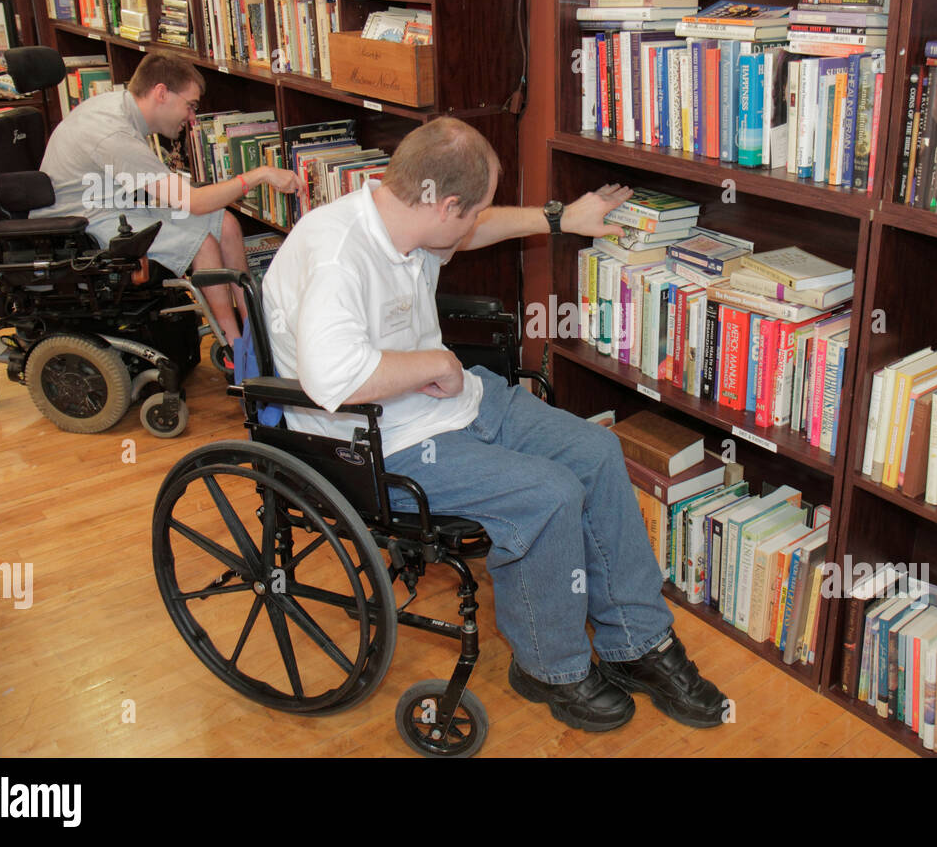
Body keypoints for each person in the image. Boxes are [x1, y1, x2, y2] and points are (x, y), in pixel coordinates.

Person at [260, 116, 727, 732]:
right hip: (380, 441)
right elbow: (334, 380)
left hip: (452, 404)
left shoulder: (406, 217)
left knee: (595, 451)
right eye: (473, 208)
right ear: (445, 204)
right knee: (549, 495)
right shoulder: (337, 255)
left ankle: (637, 641)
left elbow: (476, 229)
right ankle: (549, 667)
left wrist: (560, 218)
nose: (477, 220)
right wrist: (437, 363)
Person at [36, 52, 307, 347]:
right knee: (202, 243)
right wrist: (260, 174)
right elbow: (194, 202)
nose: (192, 118)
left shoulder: (119, 108)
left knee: (226, 224)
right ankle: (236, 347)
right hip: (83, 224)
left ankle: (257, 331)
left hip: (116, 206)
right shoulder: (115, 133)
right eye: (190, 106)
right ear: (161, 93)